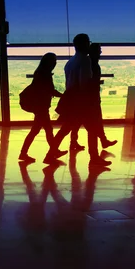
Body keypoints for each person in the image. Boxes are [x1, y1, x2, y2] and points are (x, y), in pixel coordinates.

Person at [44, 34, 111, 168]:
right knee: (92, 130)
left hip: (72, 102)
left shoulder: (70, 62)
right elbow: (84, 84)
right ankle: (94, 158)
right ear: (85, 44)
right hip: (82, 103)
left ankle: (50, 154)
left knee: (64, 130)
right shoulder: (85, 61)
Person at [18, 53, 64, 163]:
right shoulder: (45, 74)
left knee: (37, 131)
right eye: (54, 61)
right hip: (41, 108)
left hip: (40, 107)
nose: (55, 63)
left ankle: (24, 153)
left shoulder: (40, 73)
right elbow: (49, 90)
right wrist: (63, 95)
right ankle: (52, 152)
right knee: (47, 130)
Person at [70, 43, 117, 151]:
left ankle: (75, 142)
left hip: (87, 99)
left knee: (77, 123)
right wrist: (96, 82)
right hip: (90, 100)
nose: (101, 52)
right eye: (99, 50)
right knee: (93, 124)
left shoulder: (87, 62)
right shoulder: (91, 64)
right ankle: (97, 149)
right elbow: (86, 82)